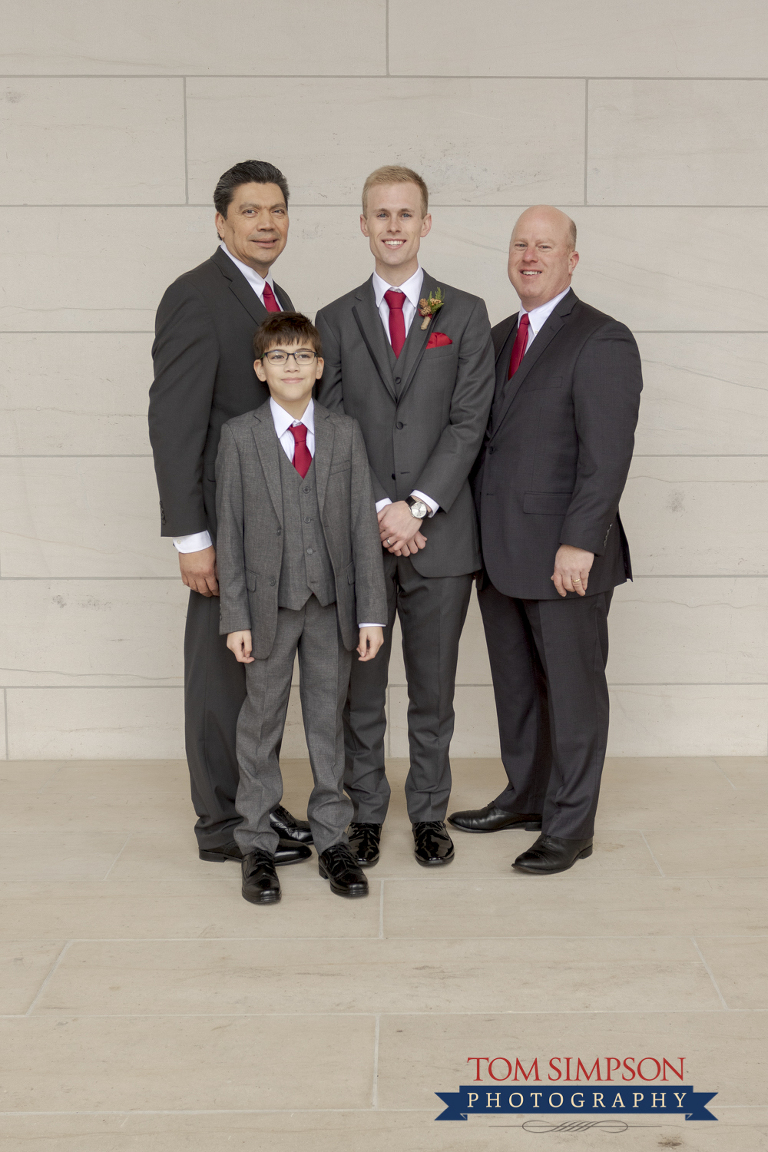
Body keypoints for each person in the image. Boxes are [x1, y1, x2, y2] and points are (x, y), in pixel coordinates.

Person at [449, 205, 643, 875]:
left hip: (566, 555)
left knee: (573, 691)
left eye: (545, 246)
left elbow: (606, 455)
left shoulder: (602, 339)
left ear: (571, 260)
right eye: (520, 244)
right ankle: (527, 796)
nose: (530, 255)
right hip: (498, 552)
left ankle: (570, 825)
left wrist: (580, 541)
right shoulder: (499, 335)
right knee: (517, 688)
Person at [316, 166, 495, 869]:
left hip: (440, 538)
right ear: (363, 225)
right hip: (358, 540)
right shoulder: (333, 319)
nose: (393, 226)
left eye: (405, 214)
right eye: (380, 214)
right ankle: (365, 813)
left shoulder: (467, 313)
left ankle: (428, 814)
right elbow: (330, 425)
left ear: (426, 224)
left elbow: (468, 420)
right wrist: (377, 508)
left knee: (434, 692)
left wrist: (416, 506)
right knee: (361, 695)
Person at [149, 160, 310, 866]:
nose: (266, 222)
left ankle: (257, 803)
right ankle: (221, 825)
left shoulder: (274, 298)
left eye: (276, 209)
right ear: (221, 222)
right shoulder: (195, 297)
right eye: (250, 211)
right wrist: (193, 538)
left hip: (276, 531)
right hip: (225, 532)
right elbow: (174, 423)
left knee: (262, 676)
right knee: (221, 680)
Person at [215, 312, 387, 904]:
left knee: (326, 724)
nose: (292, 365)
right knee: (259, 725)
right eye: (279, 357)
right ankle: (257, 843)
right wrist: (234, 616)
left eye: (302, 355)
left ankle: (333, 838)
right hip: (265, 609)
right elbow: (230, 534)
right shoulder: (239, 437)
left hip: (331, 605)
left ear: (319, 366)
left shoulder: (344, 433)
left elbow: (364, 527)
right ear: (261, 369)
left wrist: (371, 613)